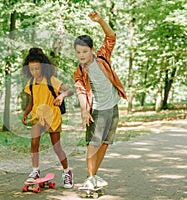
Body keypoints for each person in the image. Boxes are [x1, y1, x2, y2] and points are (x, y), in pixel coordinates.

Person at [73, 11, 127, 189]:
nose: (81, 55)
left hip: (112, 107)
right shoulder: (79, 71)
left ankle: (93, 177)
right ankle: (90, 177)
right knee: (93, 143)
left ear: (92, 50)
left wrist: (100, 21)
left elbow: (111, 37)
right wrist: (84, 110)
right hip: (97, 111)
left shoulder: (102, 57)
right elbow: (80, 90)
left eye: (84, 51)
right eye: (78, 52)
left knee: (105, 143)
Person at [22, 47, 74, 189]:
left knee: (57, 147)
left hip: (52, 116)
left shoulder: (51, 80)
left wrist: (61, 96)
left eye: (37, 69)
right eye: (32, 69)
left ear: (43, 68)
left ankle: (67, 172)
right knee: (34, 143)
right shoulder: (31, 83)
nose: (35, 72)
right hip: (38, 116)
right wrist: (26, 113)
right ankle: (35, 171)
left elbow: (69, 90)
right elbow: (33, 100)